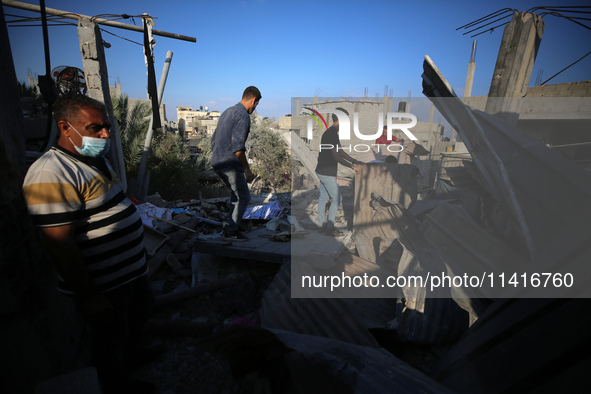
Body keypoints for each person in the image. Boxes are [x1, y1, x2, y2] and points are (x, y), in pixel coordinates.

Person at [22, 94, 157, 393]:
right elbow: (59, 243)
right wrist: (89, 296)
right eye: (95, 128)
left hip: (129, 273)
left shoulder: (93, 159)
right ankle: (118, 386)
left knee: (136, 318)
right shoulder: (50, 172)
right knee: (110, 337)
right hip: (104, 285)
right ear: (65, 128)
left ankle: (135, 361)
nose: (105, 134)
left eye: (107, 126)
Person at [210, 86, 261, 242]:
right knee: (244, 196)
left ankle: (233, 225)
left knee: (235, 195)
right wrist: (247, 169)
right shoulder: (243, 115)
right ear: (253, 100)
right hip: (229, 163)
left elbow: (214, 140)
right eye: (256, 104)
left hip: (217, 160)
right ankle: (231, 232)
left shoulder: (227, 112)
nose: (255, 108)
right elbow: (238, 148)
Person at [315, 112, 363, 236]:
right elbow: (336, 156)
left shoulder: (331, 133)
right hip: (326, 172)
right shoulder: (331, 134)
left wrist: (354, 160)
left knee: (324, 198)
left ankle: (322, 226)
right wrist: (352, 166)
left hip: (322, 170)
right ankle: (330, 229)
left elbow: (340, 151)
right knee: (337, 198)